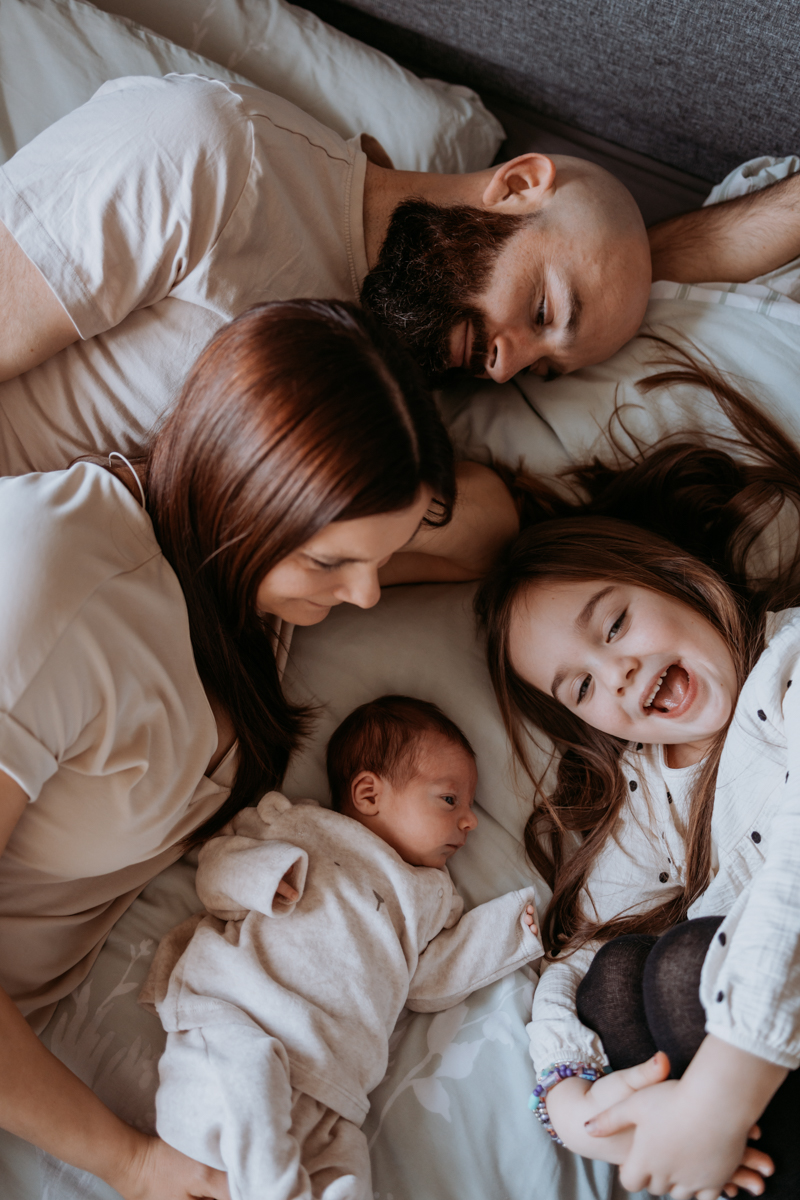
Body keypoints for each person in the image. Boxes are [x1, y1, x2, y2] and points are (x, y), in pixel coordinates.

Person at [0, 298, 498, 1200]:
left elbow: (485, 529)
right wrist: (132, 1163)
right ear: (245, 491)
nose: (369, 596)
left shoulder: (242, 579)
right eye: (333, 564)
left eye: (378, 559)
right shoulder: (46, 587)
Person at [1, 73, 798, 476]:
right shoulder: (208, 155)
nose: (508, 363)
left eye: (544, 369)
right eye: (543, 310)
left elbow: (628, 261)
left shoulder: (395, 352)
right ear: (517, 185)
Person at [475, 353, 800, 1199]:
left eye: (613, 623)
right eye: (581, 686)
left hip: (760, 1051)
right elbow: (575, 965)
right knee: (622, 978)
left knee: (684, 961)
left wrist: (720, 1099)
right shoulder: (654, 796)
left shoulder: (792, 664)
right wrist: (569, 1101)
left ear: (669, 573)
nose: (615, 675)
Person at [140, 694, 541, 1200]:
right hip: (236, 1024)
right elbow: (215, 869)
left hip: (334, 1084)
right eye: (449, 799)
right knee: (250, 1099)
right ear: (369, 793)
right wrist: (265, 874)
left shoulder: (432, 896)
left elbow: (426, 982)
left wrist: (505, 933)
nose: (470, 821)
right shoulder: (299, 828)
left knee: (345, 1172)